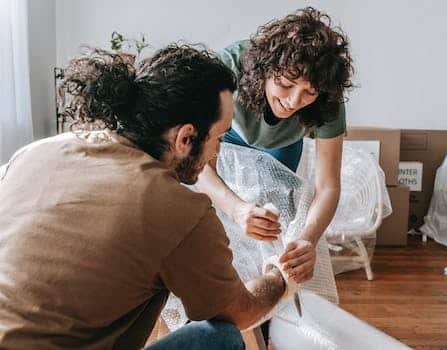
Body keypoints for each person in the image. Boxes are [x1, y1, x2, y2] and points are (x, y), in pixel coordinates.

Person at [0, 45, 289, 350]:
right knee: (221, 337)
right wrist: (281, 276)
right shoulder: (176, 207)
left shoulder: (38, 151)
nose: (218, 151)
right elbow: (240, 311)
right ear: (185, 138)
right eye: (219, 137)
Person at [198, 7, 355, 285]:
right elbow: (198, 166)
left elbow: (328, 185)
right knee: (216, 215)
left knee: (272, 217)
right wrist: (236, 209)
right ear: (264, 71)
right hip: (229, 132)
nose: (294, 101)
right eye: (285, 83)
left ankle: (263, 289)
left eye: (309, 92)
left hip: (283, 143)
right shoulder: (227, 67)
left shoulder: (329, 99)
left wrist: (308, 238)